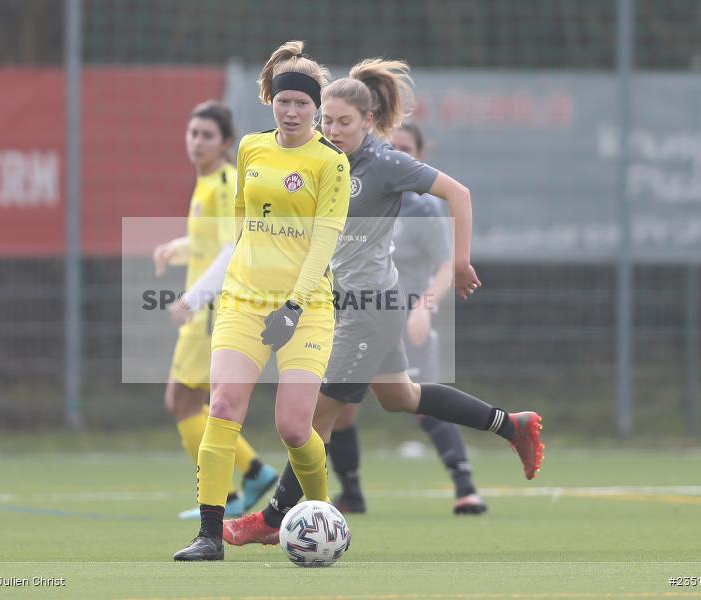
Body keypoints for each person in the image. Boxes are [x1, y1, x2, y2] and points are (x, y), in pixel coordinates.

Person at [224, 58, 544, 546]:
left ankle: (272, 519)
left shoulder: (386, 162)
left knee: (313, 420)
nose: (332, 129)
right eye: (326, 120)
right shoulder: (316, 157)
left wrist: (460, 262)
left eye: (343, 122)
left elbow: (459, 194)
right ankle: (511, 425)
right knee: (403, 398)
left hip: (368, 309)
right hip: (345, 306)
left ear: (368, 122)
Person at [173, 41, 351, 561]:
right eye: (283, 101)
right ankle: (209, 536)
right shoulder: (251, 148)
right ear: (270, 101)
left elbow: (325, 240)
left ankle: (321, 518)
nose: (292, 111)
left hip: (307, 307)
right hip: (244, 301)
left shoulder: (331, 162)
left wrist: (293, 306)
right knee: (223, 406)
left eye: (302, 104)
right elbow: (245, 229)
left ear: (316, 109)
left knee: (295, 428)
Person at [329, 121, 487, 517]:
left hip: (408, 314)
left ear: (419, 156)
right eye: (392, 147)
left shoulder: (425, 206)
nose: (397, 154)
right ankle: (351, 493)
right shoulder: (359, 193)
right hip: (361, 314)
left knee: (420, 402)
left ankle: (466, 487)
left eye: (406, 149)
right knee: (341, 409)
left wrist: (425, 307)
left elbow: (444, 264)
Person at [153, 101, 279, 521]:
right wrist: (177, 248)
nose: (197, 142)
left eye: (207, 135)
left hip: (214, 309)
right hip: (209, 306)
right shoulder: (208, 182)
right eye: (192, 133)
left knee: (182, 400)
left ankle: (231, 490)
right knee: (191, 400)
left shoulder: (226, 183)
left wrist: (195, 298)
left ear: (227, 142)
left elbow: (232, 247)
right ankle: (252, 474)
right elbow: (211, 242)